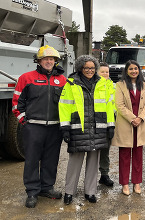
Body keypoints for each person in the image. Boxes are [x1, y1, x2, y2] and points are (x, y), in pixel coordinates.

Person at [12, 45, 66, 208]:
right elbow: (16, 103)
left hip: (55, 128)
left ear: (55, 61)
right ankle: (32, 191)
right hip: (33, 128)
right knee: (32, 160)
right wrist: (25, 122)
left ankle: (47, 188)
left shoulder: (62, 80)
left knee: (51, 160)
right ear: (39, 61)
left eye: (52, 59)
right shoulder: (26, 78)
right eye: (46, 59)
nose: (49, 61)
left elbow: (67, 105)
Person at [59, 55, 115, 205]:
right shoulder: (71, 83)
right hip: (78, 128)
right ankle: (69, 192)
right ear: (80, 68)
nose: (90, 70)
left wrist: (111, 125)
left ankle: (90, 192)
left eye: (92, 68)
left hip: (98, 128)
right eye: (86, 68)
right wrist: (65, 127)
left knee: (93, 163)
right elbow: (64, 106)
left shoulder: (102, 83)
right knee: (74, 162)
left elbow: (109, 106)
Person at [111, 60, 145, 195]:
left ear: (139, 70)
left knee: (138, 155)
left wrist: (140, 118)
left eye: (136, 69)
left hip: (140, 124)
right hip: (126, 124)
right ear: (126, 71)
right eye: (131, 69)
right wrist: (132, 118)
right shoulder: (120, 85)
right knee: (124, 156)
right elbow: (119, 105)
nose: (134, 71)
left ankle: (137, 182)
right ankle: (124, 184)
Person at [97, 62, 116, 187]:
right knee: (93, 152)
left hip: (109, 122)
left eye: (107, 72)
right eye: (102, 71)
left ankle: (104, 174)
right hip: (95, 122)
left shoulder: (113, 86)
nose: (105, 74)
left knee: (105, 150)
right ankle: (91, 177)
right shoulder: (94, 85)